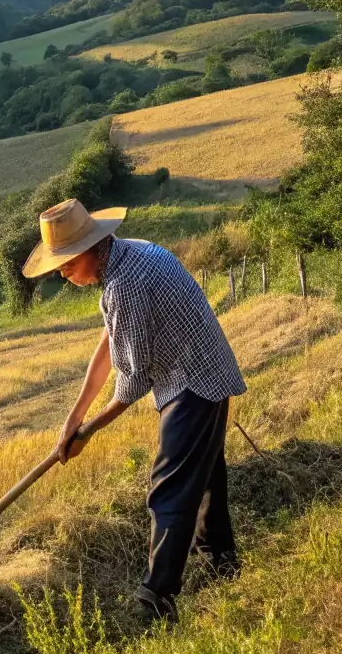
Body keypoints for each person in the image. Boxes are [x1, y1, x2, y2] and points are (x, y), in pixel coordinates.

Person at [22, 197, 246, 622]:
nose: (64, 274)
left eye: (66, 264)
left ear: (90, 247)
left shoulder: (124, 283)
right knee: (204, 473)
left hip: (193, 379)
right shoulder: (131, 256)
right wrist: (75, 415)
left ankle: (156, 598)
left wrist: (88, 433)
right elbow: (110, 345)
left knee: (169, 486)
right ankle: (221, 562)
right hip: (205, 369)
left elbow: (132, 381)